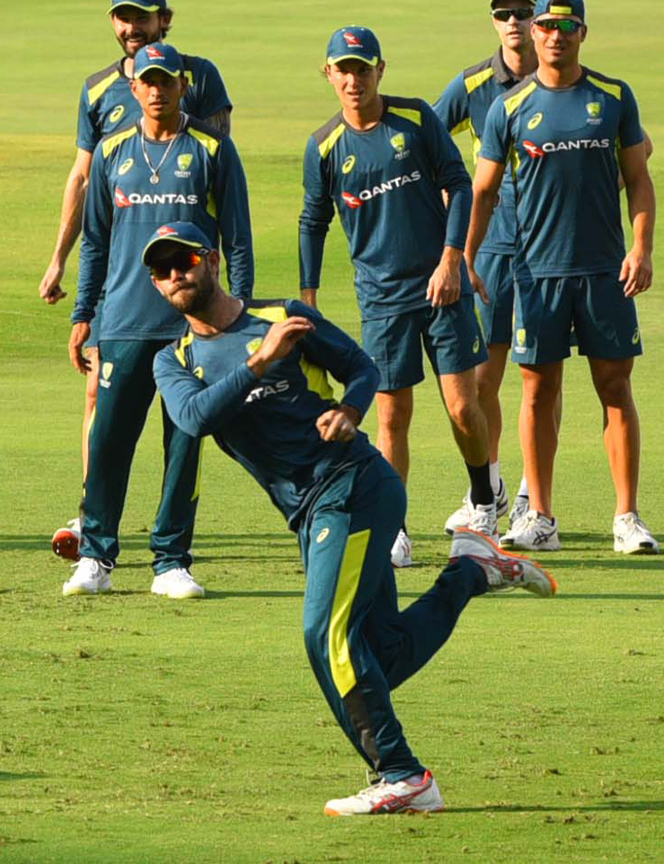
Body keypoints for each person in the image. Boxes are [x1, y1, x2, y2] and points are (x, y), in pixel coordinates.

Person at [146, 220, 556, 815]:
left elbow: (363, 366)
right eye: (161, 270)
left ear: (210, 259)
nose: (175, 275)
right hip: (309, 511)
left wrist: (351, 408)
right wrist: (261, 363)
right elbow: (196, 418)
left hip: (355, 485)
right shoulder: (174, 359)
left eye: (182, 260)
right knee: (379, 654)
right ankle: (470, 568)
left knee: (326, 635)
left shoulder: (280, 315)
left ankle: (402, 775)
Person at [40, 0, 233, 562]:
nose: (131, 28)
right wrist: (59, 257)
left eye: (142, 18)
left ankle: (170, 548)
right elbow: (84, 182)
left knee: (187, 428)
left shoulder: (199, 79)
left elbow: (214, 177)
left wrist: (229, 302)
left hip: (188, 294)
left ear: (165, 19)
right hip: (124, 293)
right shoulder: (99, 91)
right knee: (103, 410)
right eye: (123, 18)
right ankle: (94, 522)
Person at [468, 0, 658, 554]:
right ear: (535, 32)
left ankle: (626, 517)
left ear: (582, 33)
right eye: (546, 25)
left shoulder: (614, 97)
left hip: (604, 269)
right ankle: (540, 516)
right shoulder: (509, 107)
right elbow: (482, 191)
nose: (554, 35)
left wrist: (641, 248)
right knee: (536, 389)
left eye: (565, 26)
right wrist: (466, 257)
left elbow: (640, 180)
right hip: (536, 272)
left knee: (615, 388)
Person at [298, 26, 493, 568]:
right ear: (329, 74)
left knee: (461, 406)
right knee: (390, 418)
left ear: (380, 70)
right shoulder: (324, 146)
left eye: (363, 68)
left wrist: (452, 258)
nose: (354, 79)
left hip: (442, 288)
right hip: (381, 300)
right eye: (344, 69)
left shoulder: (415, 120)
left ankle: (482, 499)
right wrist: (308, 296)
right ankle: (395, 525)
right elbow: (313, 222)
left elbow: (458, 184)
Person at [64, 43, 254, 598]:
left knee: (185, 443)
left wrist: (237, 320)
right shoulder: (112, 150)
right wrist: (84, 316)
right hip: (122, 321)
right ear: (137, 86)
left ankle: (171, 561)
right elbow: (95, 241)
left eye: (165, 81)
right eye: (147, 81)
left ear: (180, 86)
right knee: (108, 444)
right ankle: (95, 556)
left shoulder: (213, 148)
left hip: (191, 327)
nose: (155, 90)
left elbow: (237, 241)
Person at [433, 0, 541, 532]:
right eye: (505, 13)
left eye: (524, 11)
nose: (515, 21)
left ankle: (532, 494)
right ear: (494, 22)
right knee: (481, 379)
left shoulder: (561, 82)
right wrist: (452, 192)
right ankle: (491, 487)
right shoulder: (475, 84)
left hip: (547, 246)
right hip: (490, 246)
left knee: (537, 376)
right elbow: (429, 134)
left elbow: (633, 148)